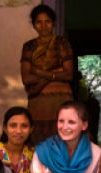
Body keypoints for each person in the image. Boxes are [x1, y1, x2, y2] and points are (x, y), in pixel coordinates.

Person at [21, 4, 73, 144]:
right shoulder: (29, 47)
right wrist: (55, 73)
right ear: (33, 25)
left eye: (47, 22)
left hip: (60, 101)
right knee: (39, 144)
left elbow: (68, 74)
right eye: (39, 22)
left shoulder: (62, 43)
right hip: (38, 104)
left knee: (63, 141)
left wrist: (39, 72)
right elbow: (26, 78)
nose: (43, 26)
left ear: (54, 23)